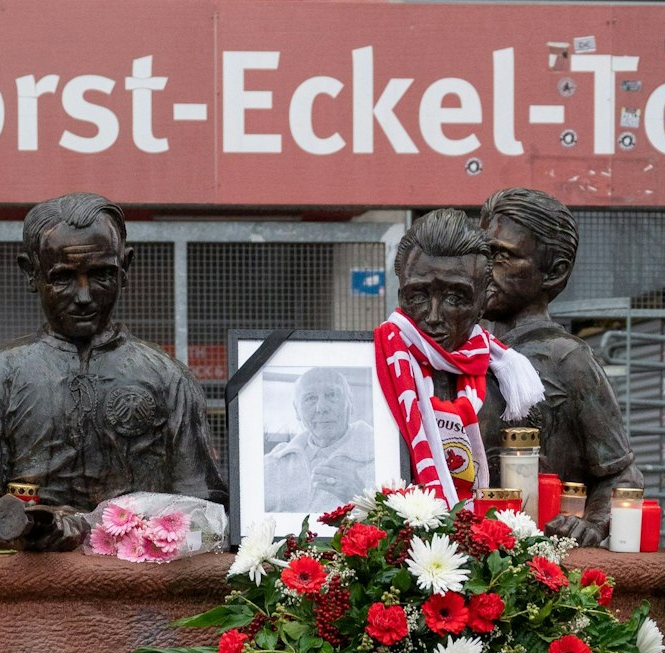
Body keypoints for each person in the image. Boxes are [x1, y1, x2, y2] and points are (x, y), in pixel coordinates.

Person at [0, 192, 225, 550]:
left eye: (101, 275)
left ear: (125, 268)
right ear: (31, 273)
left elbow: (204, 513)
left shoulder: (168, 378)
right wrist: (30, 530)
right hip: (26, 584)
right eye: (63, 277)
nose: (83, 296)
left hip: (141, 585)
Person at [477, 186, 644, 546]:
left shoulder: (568, 360)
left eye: (503, 256)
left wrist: (594, 523)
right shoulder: (465, 352)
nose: (486, 269)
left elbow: (622, 475)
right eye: (482, 253)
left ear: (553, 272)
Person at [376, 208, 542, 505]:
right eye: (418, 296)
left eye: (455, 298)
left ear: (482, 303)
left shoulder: (512, 386)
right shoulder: (375, 374)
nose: (434, 316)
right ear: (401, 297)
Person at [264, 368, 375, 514]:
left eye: (332, 395)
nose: (321, 408)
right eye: (310, 398)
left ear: (350, 403)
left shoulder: (382, 456)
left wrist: (363, 499)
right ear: (297, 410)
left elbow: (397, 527)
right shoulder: (271, 464)